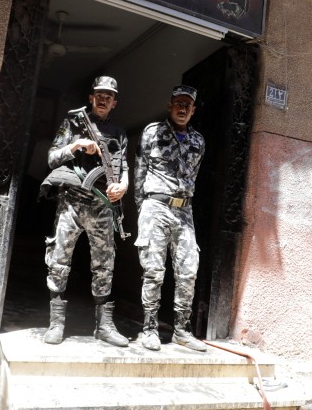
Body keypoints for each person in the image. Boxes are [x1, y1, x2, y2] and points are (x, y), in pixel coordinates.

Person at [39, 76, 129, 347]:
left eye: (109, 96)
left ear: (114, 103)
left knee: (104, 266)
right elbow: (51, 157)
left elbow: (123, 168)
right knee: (59, 261)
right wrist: (76, 145)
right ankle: (56, 324)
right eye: (99, 94)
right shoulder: (73, 123)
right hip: (72, 204)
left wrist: (123, 186)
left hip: (102, 207)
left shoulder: (120, 133)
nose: (103, 99)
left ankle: (104, 326)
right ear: (91, 97)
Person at [133, 85, 207, 352]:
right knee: (153, 271)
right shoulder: (152, 132)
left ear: (193, 110)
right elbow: (140, 170)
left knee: (189, 270)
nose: (183, 108)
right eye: (178, 103)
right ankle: (149, 329)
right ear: (170, 105)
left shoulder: (199, 140)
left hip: (184, 211)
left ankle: (181, 330)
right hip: (156, 206)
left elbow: (194, 176)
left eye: (188, 105)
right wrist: (143, 208)